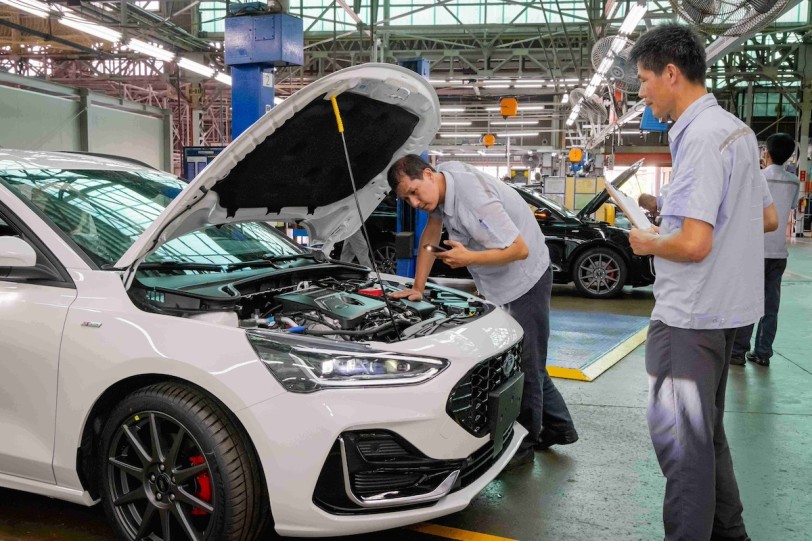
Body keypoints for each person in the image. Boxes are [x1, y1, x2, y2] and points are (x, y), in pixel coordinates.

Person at [627, 24, 778, 541]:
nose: (642, 91)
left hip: (688, 316)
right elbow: (766, 217)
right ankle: (731, 535)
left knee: (681, 449)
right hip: (725, 313)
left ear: (670, 73)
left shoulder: (699, 138)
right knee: (705, 437)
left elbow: (693, 245)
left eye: (644, 79)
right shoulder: (736, 130)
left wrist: (649, 242)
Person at [386, 154, 577, 469]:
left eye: (414, 192)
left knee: (527, 365)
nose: (415, 202)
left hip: (526, 278)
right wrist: (418, 287)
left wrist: (469, 259)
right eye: (407, 199)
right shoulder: (442, 184)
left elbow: (519, 250)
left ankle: (524, 446)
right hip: (499, 283)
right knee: (529, 358)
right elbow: (432, 231)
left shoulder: (474, 199)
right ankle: (560, 427)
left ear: (428, 174)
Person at [731, 133, 801, 367]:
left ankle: (738, 352)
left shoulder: (757, 177)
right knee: (771, 306)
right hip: (779, 253)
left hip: (754, 249)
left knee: (747, 301)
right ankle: (762, 352)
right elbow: (789, 207)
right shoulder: (794, 182)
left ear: (766, 153)